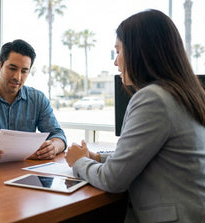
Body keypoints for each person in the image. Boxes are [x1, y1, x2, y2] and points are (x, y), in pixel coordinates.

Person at [65, 9, 205, 222]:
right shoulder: (187, 94)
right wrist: (97, 158)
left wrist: (78, 162)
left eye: (118, 51)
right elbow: (157, 157)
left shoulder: (153, 98)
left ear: (139, 52)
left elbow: (112, 180)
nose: (115, 62)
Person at [0, 39, 66, 160]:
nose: (17, 77)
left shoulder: (37, 98)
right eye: (12, 68)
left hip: (28, 169)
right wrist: (25, 152)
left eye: (24, 71)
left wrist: (53, 147)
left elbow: (58, 135)